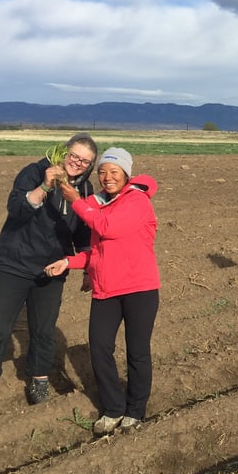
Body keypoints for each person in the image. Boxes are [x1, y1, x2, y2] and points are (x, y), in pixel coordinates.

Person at [0, 133, 98, 424]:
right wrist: (45, 186)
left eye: (85, 161)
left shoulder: (84, 189)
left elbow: (84, 233)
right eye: (74, 156)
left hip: (51, 269)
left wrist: (86, 268)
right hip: (13, 264)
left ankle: (38, 382)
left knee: (44, 330)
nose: (78, 163)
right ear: (64, 152)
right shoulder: (34, 172)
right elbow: (16, 209)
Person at [45, 147, 159, 435]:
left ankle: (135, 411)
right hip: (106, 289)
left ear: (126, 175)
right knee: (99, 348)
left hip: (139, 288)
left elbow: (109, 228)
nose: (107, 177)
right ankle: (113, 408)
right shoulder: (100, 204)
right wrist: (69, 262)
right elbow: (99, 249)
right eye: (103, 172)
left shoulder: (137, 201)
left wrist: (76, 201)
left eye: (114, 172)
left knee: (137, 352)